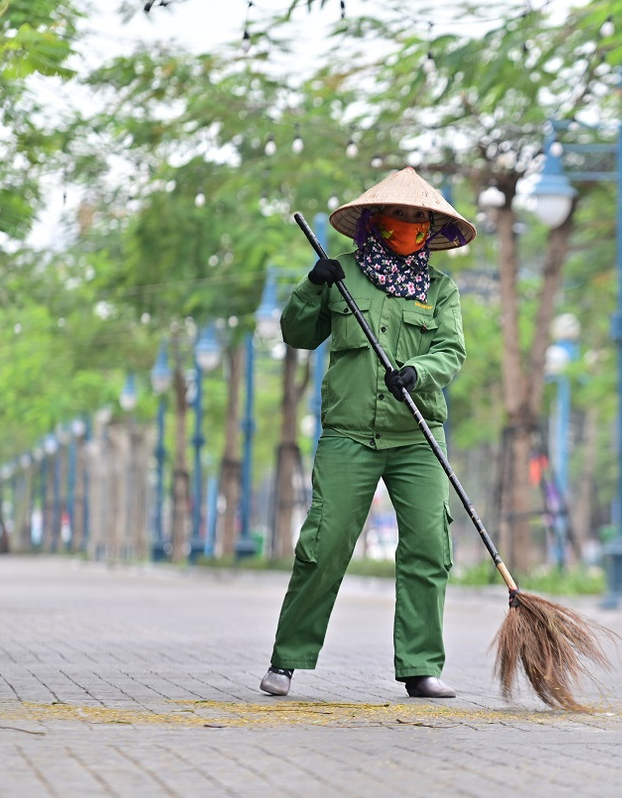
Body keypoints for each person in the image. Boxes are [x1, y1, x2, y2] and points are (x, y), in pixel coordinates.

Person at [259, 167, 477, 699]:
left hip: (418, 436)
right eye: (400, 214)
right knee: (325, 542)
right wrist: (313, 285)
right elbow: (297, 334)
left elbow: (450, 351)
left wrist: (417, 372)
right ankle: (287, 659)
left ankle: (421, 666)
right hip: (349, 434)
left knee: (430, 545)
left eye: (419, 217)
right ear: (376, 220)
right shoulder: (342, 276)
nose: (410, 224)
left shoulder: (441, 290)